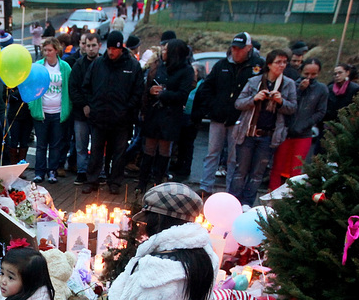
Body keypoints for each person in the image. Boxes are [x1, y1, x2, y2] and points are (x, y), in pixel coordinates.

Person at [194, 32, 264, 198]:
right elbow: (207, 87)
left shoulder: (258, 66)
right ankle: (206, 187)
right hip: (218, 117)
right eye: (233, 48)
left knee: (234, 157)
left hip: (240, 119)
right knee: (212, 153)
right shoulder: (222, 65)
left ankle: (231, 190)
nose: (236, 52)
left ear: (248, 48)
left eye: (239, 49)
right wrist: (211, 107)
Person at [230, 49, 297, 206]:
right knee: (240, 171)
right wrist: (254, 98)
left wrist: (281, 102)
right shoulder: (255, 81)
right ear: (269, 64)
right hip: (248, 132)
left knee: (257, 173)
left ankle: (247, 204)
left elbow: (293, 108)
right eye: (278, 62)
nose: (282, 65)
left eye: (284, 62)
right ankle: (233, 203)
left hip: (269, 135)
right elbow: (238, 103)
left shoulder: (289, 84)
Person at [81, 31, 143, 194]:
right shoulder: (98, 64)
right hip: (99, 117)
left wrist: (127, 108)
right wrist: (91, 105)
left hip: (121, 119)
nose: (111, 52)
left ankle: (115, 181)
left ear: (121, 48)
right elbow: (86, 86)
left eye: (114, 49)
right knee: (95, 151)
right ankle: (92, 180)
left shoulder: (132, 66)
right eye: (109, 48)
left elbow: (138, 91)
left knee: (119, 153)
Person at [137, 39, 194, 193]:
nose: (163, 52)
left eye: (166, 50)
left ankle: (158, 182)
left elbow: (183, 94)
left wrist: (163, 93)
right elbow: (148, 86)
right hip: (154, 113)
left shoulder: (186, 70)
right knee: (148, 148)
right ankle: (142, 182)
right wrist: (150, 91)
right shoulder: (159, 67)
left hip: (170, 116)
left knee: (164, 150)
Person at [269, 58, 327, 190]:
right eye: (306, 74)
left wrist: (307, 124)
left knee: (296, 168)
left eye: (313, 74)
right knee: (277, 166)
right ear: (301, 71)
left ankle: (291, 195)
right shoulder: (291, 85)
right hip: (286, 131)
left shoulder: (321, 89)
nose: (309, 77)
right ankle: (272, 194)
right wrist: (300, 90)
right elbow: (287, 106)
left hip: (304, 133)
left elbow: (321, 111)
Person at [28, 37, 71, 184]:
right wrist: (32, 106)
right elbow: (31, 86)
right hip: (42, 111)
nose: (47, 53)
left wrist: (68, 108)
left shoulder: (65, 67)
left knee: (55, 145)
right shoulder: (38, 66)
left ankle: (52, 171)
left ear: (56, 50)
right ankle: (39, 172)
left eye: (50, 50)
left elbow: (68, 88)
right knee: (41, 145)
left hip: (58, 111)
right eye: (45, 50)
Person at [68, 33, 100, 183]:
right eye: (88, 46)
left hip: (99, 112)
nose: (91, 49)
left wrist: (93, 106)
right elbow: (73, 88)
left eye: (94, 45)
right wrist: (84, 105)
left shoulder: (103, 65)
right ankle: (82, 171)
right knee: (80, 145)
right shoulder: (79, 65)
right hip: (80, 113)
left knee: (97, 145)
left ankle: (96, 172)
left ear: (99, 45)